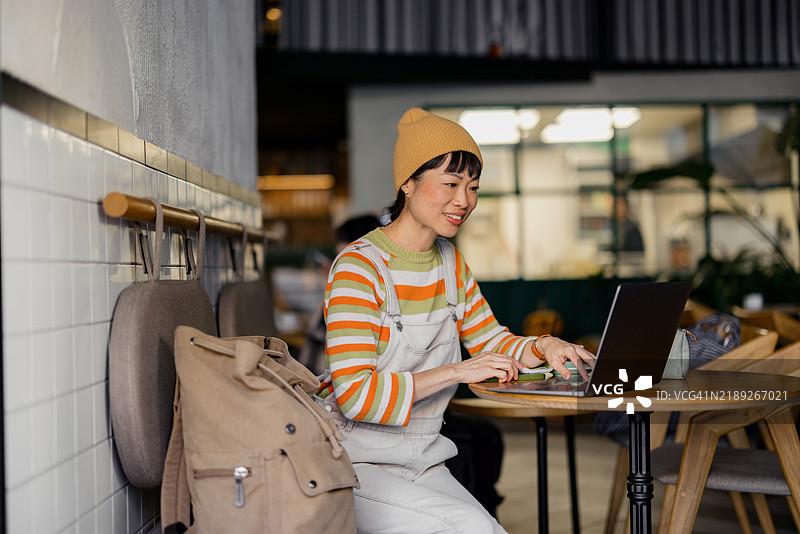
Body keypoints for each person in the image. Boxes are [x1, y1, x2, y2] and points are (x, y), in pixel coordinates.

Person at [314, 108, 595, 533]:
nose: (463, 200)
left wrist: (544, 346)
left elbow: (490, 341)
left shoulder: (451, 262)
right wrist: (458, 371)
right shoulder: (358, 268)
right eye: (450, 183)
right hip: (355, 464)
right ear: (407, 183)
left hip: (424, 460)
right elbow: (356, 395)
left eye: (473, 187)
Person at [298, 214, 382, 374]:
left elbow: (323, 333)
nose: (338, 248)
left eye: (343, 241)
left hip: (329, 380)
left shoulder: (357, 285)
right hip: (325, 378)